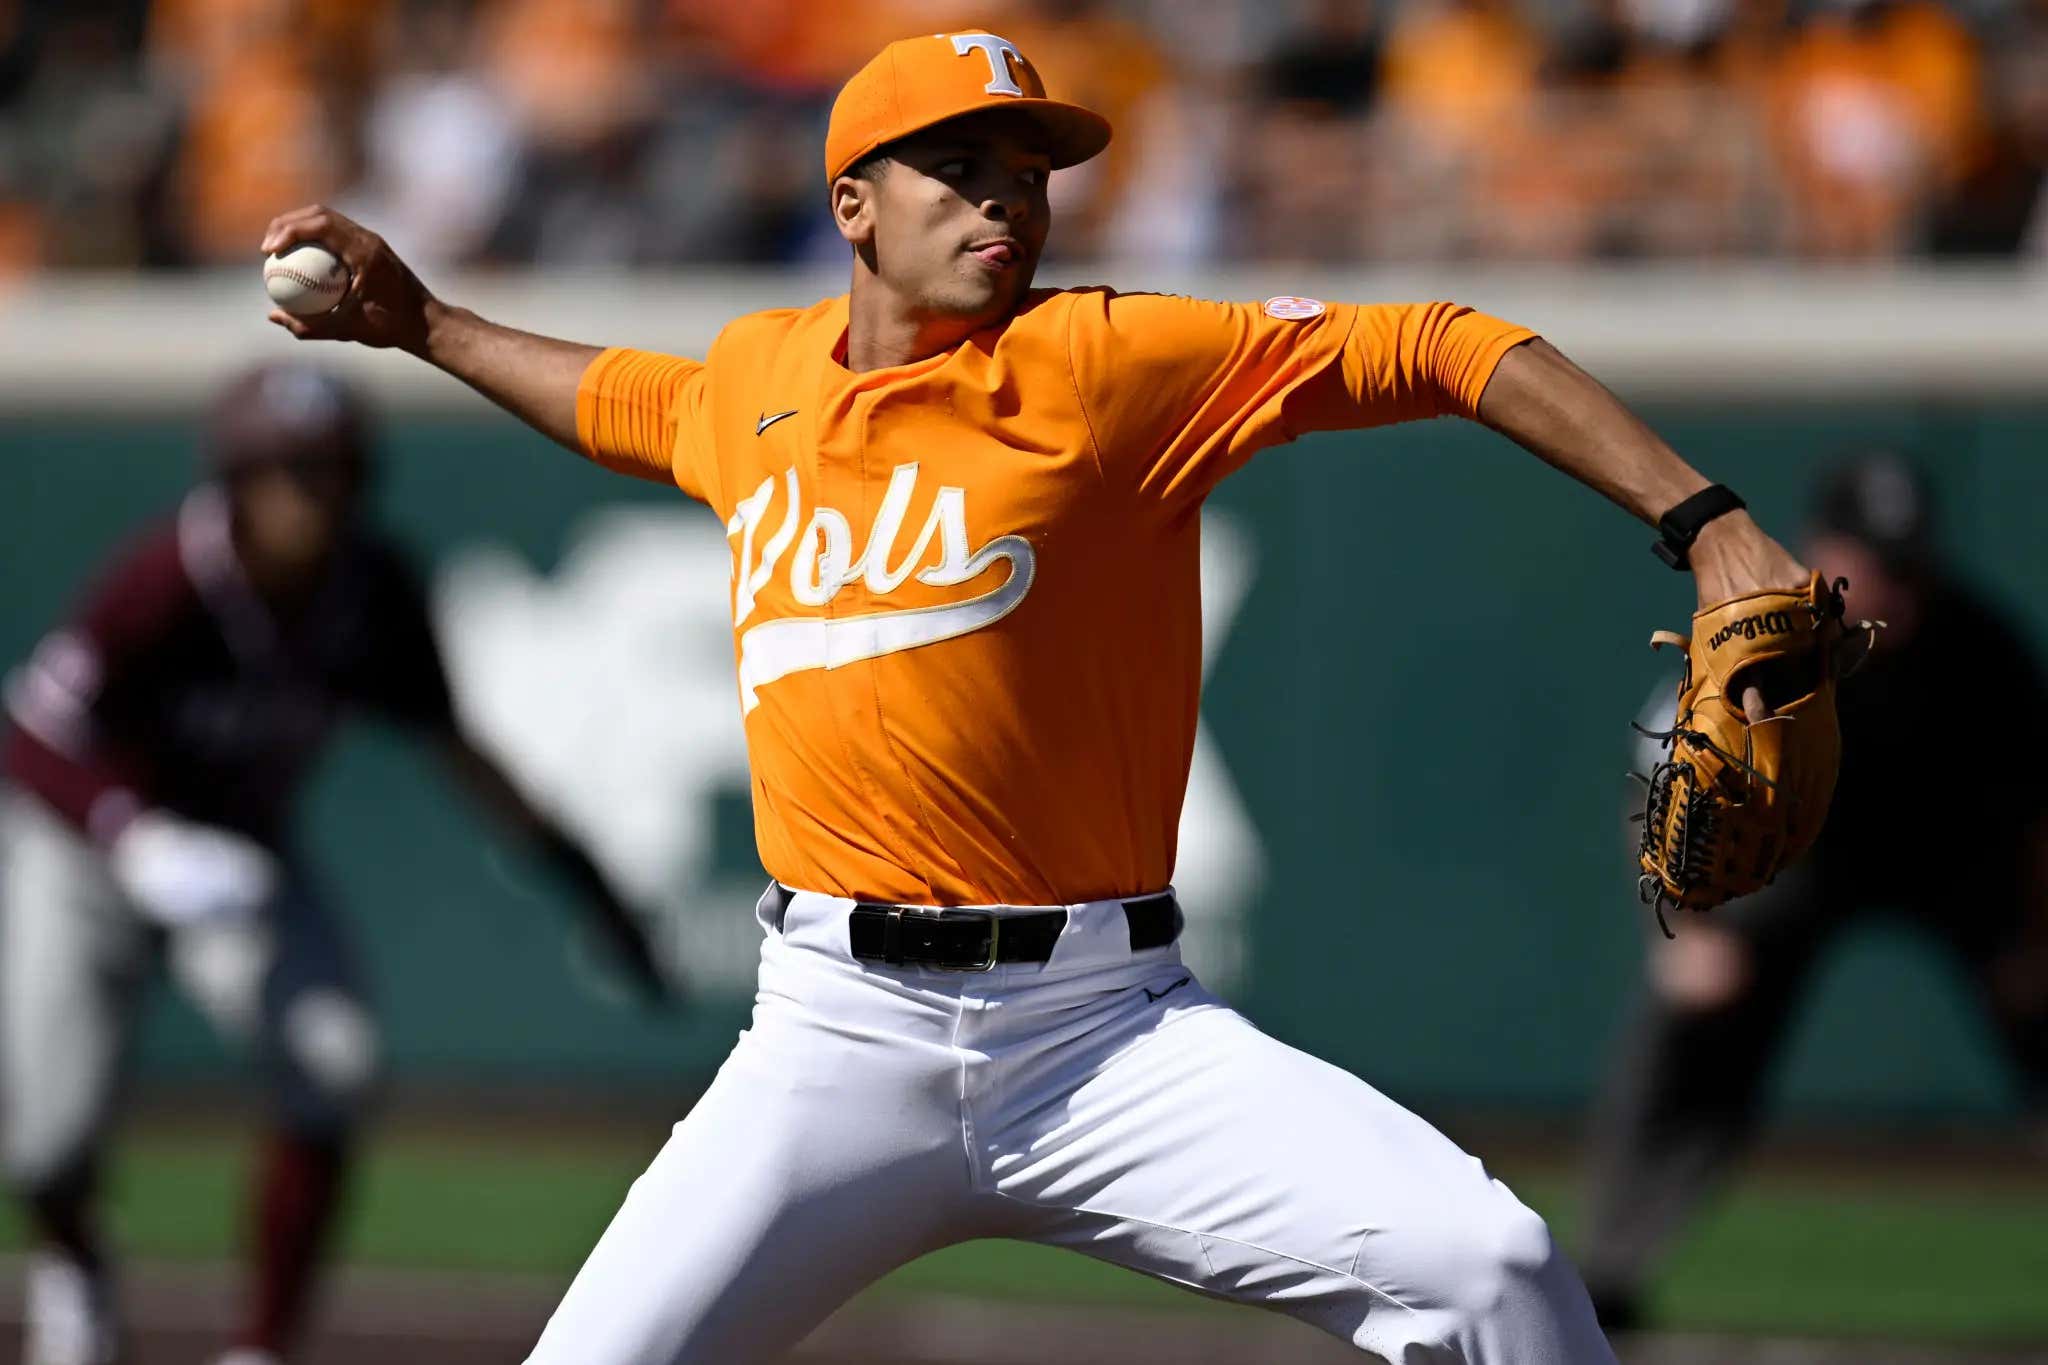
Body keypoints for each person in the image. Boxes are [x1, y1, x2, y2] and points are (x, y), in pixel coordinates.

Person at [259, 30, 1815, 1364]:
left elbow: (1440, 343)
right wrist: (426, 326)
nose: (1005, 197)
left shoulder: (1110, 363)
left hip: (1107, 1036)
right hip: (834, 1037)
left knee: (1496, 1270)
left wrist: (1707, 521)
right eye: (957, 167)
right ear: (853, 206)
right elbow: (618, 401)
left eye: (1027, 170)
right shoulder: (756, 383)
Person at [0, 361, 674, 1365]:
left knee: (334, 1061)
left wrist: (589, 886)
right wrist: (129, 832)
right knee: (45, 1141)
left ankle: (262, 1349)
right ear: (238, 479)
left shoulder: (370, 591)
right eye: (293, 472)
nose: (317, 498)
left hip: (241, 860)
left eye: (336, 473)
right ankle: (77, 1258)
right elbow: (31, 736)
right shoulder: (167, 576)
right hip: (87, 853)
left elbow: (461, 753)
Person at [1578, 449, 2048, 1330]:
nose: (1893, 589)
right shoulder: (1763, 639)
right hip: (1801, 856)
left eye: (1909, 567)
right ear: (1822, 549)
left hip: (1954, 857)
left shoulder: (1983, 648)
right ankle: (1606, 1269)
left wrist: (2031, 935)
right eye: (1874, 563)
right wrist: (1684, 926)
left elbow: (2034, 819)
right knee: (1696, 1017)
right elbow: (1665, 774)